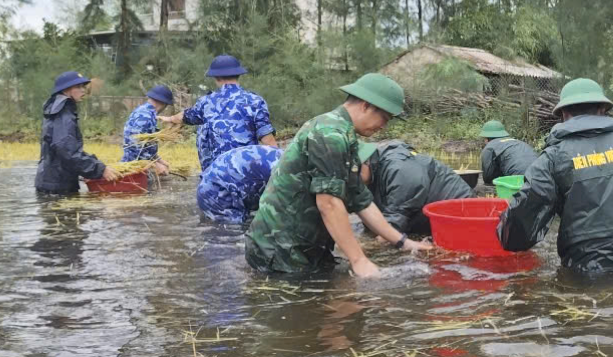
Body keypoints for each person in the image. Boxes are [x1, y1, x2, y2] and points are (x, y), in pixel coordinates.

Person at [245, 73, 431, 278]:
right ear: (366, 105)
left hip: (306, 246)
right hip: (280, 248)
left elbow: (361, 201)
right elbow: (329, 203)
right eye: (384, 118)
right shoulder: (329, 133)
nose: (383, 126)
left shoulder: (345, 135)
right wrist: (359, 260)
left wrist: (403, 242)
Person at [496, 78, 613, 273]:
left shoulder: (553, 157)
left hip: (585, 268)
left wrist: (503, 232)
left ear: (564, 114)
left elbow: (522, 222)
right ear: (603, 110)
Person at [161, 55, 275, 172]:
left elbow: (184, 116)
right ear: (238, 75)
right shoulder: (255, 101)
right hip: (246, 175)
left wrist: (169, 119)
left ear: (216, 77)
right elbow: (269, 142)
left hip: (214, 178)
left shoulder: (205, 103)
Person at [363, 140, 474, 235]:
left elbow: (396, 220)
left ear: (365, 163)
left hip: (460, 215)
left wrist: (369, 246)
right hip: (425, 218)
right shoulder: (369, 174)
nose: (350, 180)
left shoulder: (399, 169)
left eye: (351, 174)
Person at [35, 71, 119, 194]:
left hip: (53, 181)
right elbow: (67, 150)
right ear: (66, 89)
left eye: (83, 86)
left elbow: (66, 150)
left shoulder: (58, 109)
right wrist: (100, 169)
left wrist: (87, 170)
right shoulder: (63, 113)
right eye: (78, 87)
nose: (83, 90)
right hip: (57, 187)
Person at [197, 144, 285, 223]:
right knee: (232, 234)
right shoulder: (287, 173)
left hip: (222, 179)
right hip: (218, 188)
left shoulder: (287, 159)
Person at [121, 84, 174, 175]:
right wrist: (156, 165)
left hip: (141, 166)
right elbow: (135, 146)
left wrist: (158, 160)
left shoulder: (146, 112)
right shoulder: (145, 117)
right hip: (134, 168)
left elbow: (146, 145)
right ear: (163, 103)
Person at [478, 120, 539, 184]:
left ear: (486, 138)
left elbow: (488, 178)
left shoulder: (489, 147)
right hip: (541, 176)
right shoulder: (518, 142)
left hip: (520, 181)